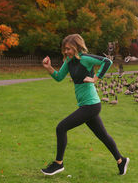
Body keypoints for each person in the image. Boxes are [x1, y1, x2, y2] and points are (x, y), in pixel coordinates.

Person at [40, 34, 129, 176]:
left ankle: (58, 164)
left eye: (69, 48)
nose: (66, 51)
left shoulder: (85, 58)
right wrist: (48, 67)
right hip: (85, 105)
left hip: (91, 105)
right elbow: (58, 77)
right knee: (103, 136)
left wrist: (96, 78)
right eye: (65, 49)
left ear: (76, 47)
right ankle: (121, 160)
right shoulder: (69, 61)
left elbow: (107, 61)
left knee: (61, 127)